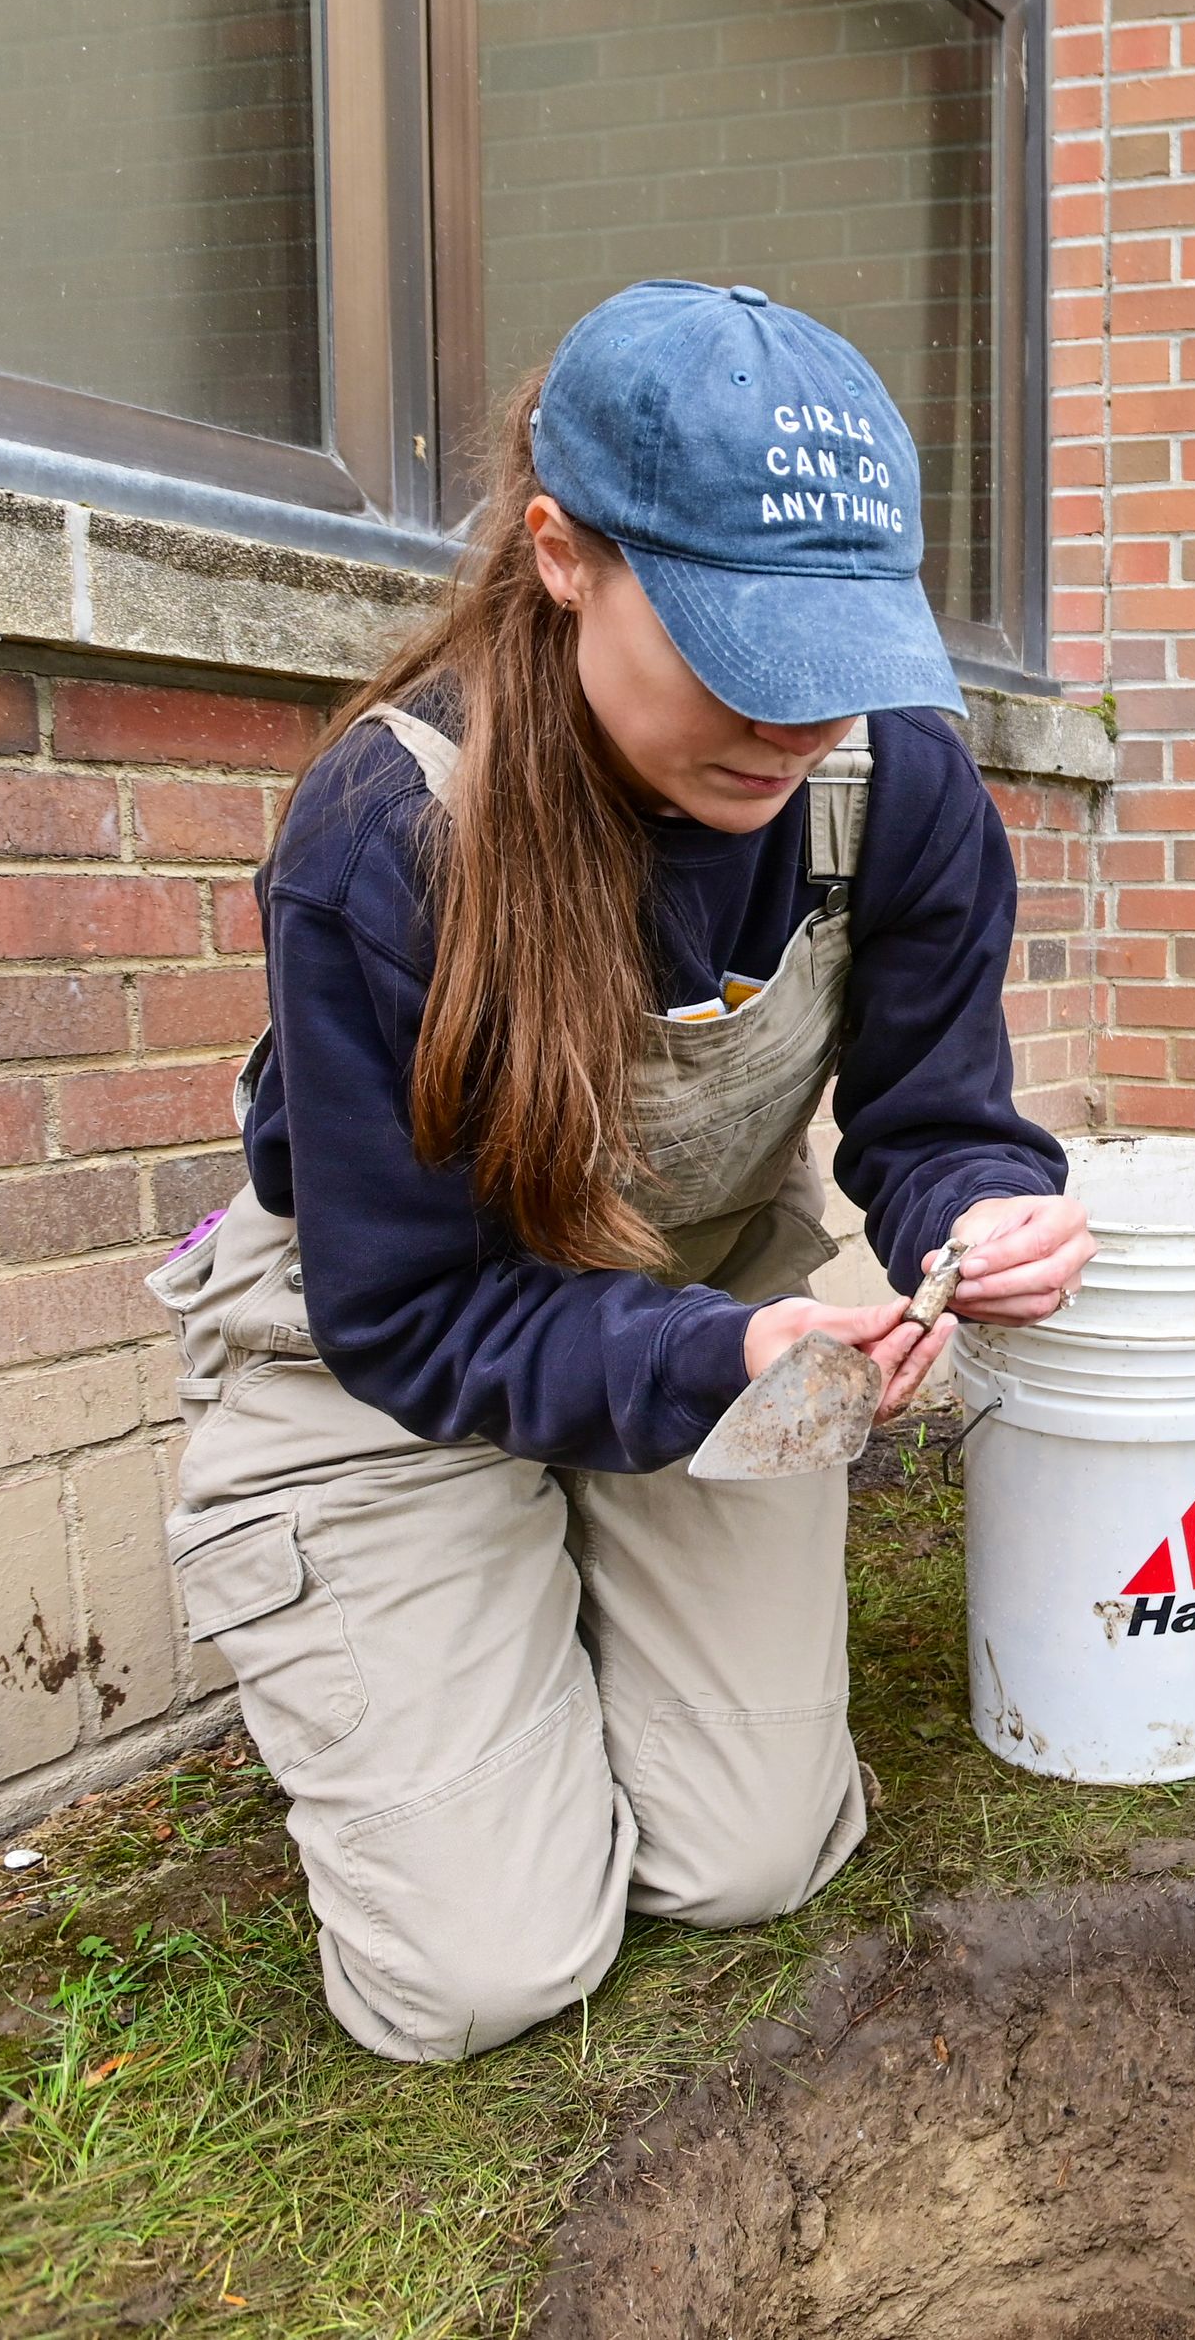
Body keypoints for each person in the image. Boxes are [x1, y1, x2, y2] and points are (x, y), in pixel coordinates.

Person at [153, 281, 1097, 2064]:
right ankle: (451, 1597)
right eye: (744, 658)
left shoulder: (899, 790)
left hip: (686, 1306)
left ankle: (571, 1607)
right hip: (393, 1365)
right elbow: (413, 1308)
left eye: (838, 670)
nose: (795, 729)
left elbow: (928, 1115)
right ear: (563, 553)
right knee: (488, 1975)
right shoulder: (388, 834)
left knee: (751, 1858)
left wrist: (974, 1207)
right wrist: (707, 1365)